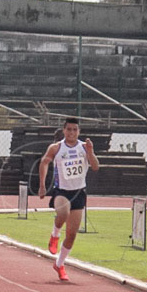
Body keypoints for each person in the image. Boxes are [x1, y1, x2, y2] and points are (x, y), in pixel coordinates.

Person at [38, 117, 99, 281]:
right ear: (64, 131)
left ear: (78, 132)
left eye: (75, 130)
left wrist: (91, 152)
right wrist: (42, 185)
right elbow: (44, 163)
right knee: (63, 213)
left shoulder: (84, 148)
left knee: (72, 235)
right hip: (61, 191)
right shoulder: (56, 148)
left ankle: (59, 264)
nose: (72, 132)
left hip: (79, 192)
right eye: (69, 129)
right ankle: (55, 234)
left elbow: (95, 166)